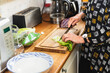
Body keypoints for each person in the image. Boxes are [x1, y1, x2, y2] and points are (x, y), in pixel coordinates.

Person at [62, 0, 110, 73]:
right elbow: (94, 4)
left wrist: (80, 38)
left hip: (102, 56)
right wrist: (81, 14)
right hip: (88, 50)